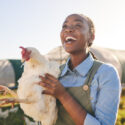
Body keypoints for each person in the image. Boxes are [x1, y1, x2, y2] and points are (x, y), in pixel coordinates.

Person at [38, 14, 121, 125]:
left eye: (77, 25)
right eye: (64, 26)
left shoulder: (106, 73)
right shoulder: (55, 72)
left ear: (91, 37)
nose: (68, 29)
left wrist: (63, 95)